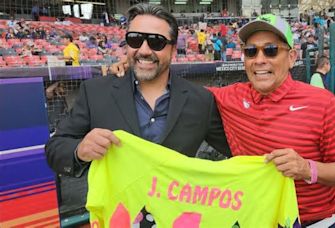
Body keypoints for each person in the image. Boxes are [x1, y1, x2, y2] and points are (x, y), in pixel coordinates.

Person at [110, 13, 335, 226]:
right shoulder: (229, 97)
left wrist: (307, 168)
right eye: (251, 51)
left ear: (292, 57)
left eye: (270, 50)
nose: (259, 59)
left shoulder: (322, 102)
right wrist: (138, 63)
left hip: (313, 221)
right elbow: (177, 90)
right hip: (256, 219)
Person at [45, 4, 231, 227]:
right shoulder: (95, 93)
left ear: (173, 50)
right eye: (135, 39)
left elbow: (236, 150)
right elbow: (55, 149)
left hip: (177, 219)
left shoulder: (201, 100)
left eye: (156, 42)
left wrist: (278, 163)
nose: (144, 50)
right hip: (117, 218)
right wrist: (79, 151)